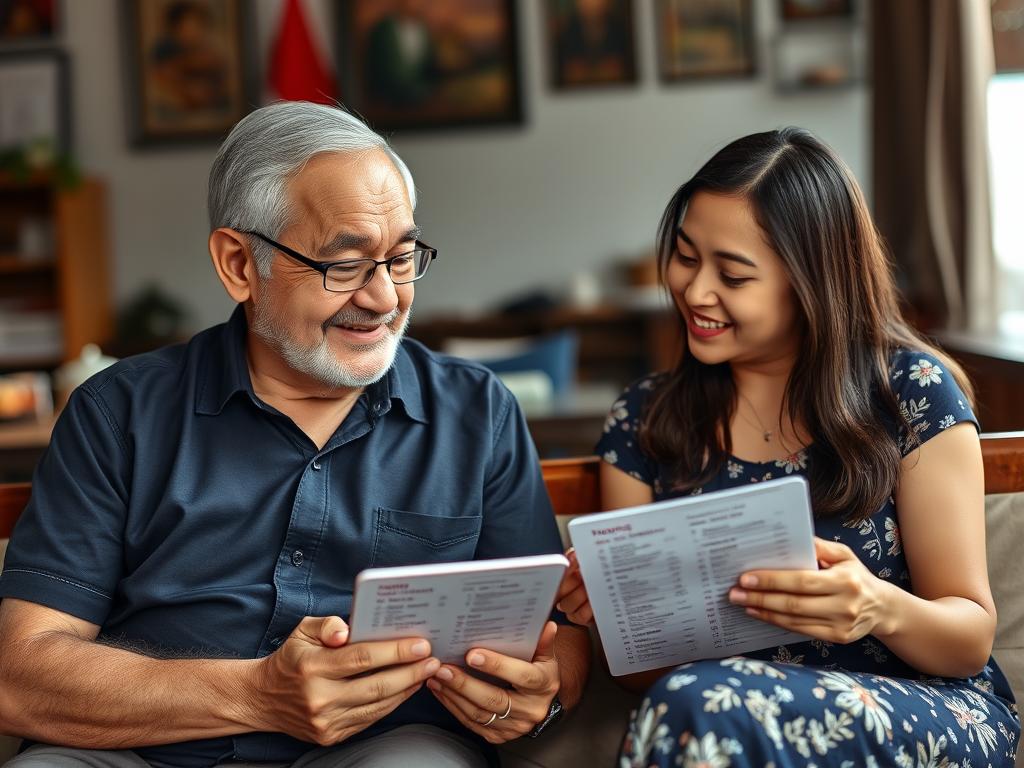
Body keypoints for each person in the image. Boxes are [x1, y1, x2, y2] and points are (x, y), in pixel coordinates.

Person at [0, 101, 589, 768]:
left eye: (400, 258)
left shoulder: (476, 413)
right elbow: (19, 676)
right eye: (344, 265)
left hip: (386, 750)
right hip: (145, 752)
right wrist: (255, 694)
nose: (385, 298)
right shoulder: (117, 414)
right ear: (239, 265)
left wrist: (549, 685)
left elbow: (556, 634)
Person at [556, 127, 1020, 766]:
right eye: (686, 257)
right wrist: (613, 621)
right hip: (720, 715)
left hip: (923, 708)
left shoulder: (909, 392)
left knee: (698, 705)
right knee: (696, 703)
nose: (694, 291)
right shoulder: (646, 420)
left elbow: (969, 637)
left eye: (734, 274)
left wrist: (876, 607)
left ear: (810, 284)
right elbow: (642, 678)